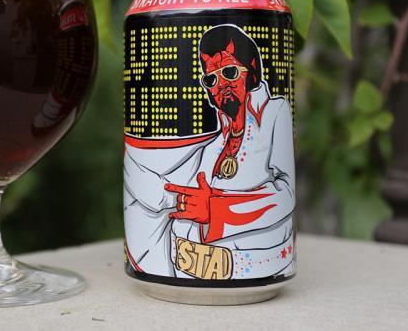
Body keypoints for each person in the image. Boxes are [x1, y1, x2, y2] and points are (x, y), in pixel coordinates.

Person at [124, 24, 295, 280]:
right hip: (188, 269)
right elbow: (166, 191)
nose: (221, 84)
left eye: (229, 72)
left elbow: (287, 194)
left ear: (251, 71)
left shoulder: (275, 112)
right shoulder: (214, 145)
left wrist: (217, 210)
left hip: (259, 266)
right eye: (211, 79)